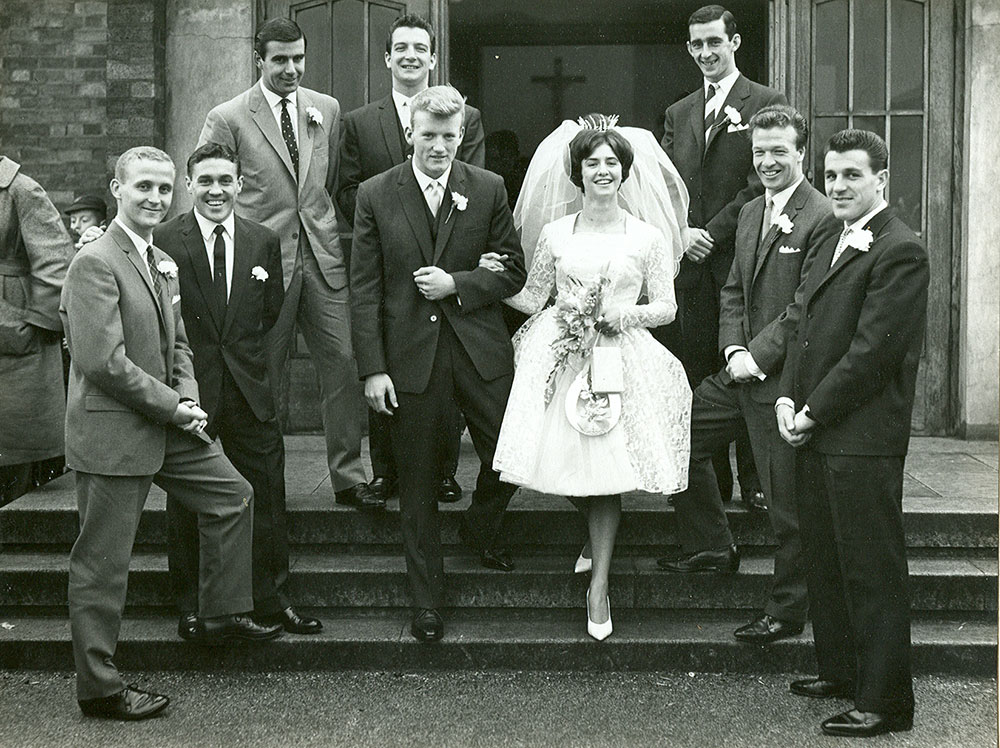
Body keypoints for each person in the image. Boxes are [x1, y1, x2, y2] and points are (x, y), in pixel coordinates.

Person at [61, 146, 281, 722]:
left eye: (163, 189)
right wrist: (172, 406)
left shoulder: (159, 259)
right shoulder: (96, 261)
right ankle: (100, 688)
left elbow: (178, 343)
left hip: (167, 422)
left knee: (233, 495)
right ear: (117, 190)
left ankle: (221, 613)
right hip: (115, 432)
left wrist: (189, 398)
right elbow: (102, 361)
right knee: (102, 565)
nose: (156, 198)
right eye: (143, 189)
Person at [491, 115, 691, 640]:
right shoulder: (556, 233)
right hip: (560, 353)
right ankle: (591, 542)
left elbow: (666, 308)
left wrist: (622, 316)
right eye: (591, 162)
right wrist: (484, 280)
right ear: (576, 172)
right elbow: (534, 297)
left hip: (618, 355)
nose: (602, 170)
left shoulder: (647, 237)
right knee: (558, 460)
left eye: (611, 162)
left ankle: (598, 585)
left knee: (607, 470)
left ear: (625, 172)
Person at [350, 86, 526, 643]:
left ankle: (480, 524)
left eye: (449, 137)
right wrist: (372, 368)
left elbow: (515, 271)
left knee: (511, 451)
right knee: (419, 479)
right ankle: (427, 600)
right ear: (410, 134)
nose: (439, 146)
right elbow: (363, 289)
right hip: (409, 358)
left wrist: (462, 283)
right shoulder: (376, 194)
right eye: (428, 135)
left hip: (478, 349)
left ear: (461, 137)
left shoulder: (488, 187)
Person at [658, 106, 836, 645]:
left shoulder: (822, 217)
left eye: (780, 151)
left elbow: (805, 306)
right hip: (736, 372)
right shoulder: (754, 210)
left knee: (788, 505)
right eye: (760, 152)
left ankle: (786, 611)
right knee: (674, 439)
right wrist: (733, 346)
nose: (768, 161)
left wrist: (756, 358)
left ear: (802, 152)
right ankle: (713, 544)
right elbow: (733, 288)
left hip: (783, 382)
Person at [777, 129, 927, 737]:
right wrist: (788, 396)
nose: (836, 186)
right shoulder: (827, 238)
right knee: (827, 561)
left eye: (851, 176)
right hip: (815, 427)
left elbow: (871, 354)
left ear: (881, 181)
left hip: (861, 437)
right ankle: (840, 671)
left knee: (870, 569)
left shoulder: (900, 249)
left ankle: (886, 701)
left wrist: (811, 413)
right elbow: (802, 322)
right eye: (831, 175)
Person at [199, 18, 380, 512]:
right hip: (263, 266)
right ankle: (260, 482)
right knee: (264, 373)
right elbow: (214, 192)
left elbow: (329, 184)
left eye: (298, 58)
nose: (291, 69)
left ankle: (348, 478)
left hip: (323, 258)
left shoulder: (326, 109)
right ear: (259, 60)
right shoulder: (229, 116)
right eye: (280, 59)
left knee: (343, 363)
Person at [154, 143, 322, 638]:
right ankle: (192, 604)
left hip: (250, 387)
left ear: (240, 184)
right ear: (189, 185)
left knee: (266, 494)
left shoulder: (262, 240)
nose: (215, 190)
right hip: (193, 389)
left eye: (225, 180)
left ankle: (270, 599)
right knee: (189, 500)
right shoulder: (164, 239)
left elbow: (267, 314)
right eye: (205, 180)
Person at [337, 13, 484, 505]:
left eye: (420, 48)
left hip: (446, 259)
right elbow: (347, 187)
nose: (410, 56)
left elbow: (473, 184)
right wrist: (388, 216)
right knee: (389, 358)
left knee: (440, 368)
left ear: (433, 57)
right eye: (401, 48)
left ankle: (443, 468)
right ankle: (386, 473)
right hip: (388, 257)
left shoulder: (469, 117)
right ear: (387, 57)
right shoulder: (360, 122)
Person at [658, 4, 787, 509]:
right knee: (698, 368)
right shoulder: (680, 111)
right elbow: (665, 184)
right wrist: (680, 233)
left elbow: (761, 181)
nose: (706, 52)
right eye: (697, 45)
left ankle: (754, 481)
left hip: (744, 257)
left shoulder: (765, 100)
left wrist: (707, 232)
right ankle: (708, 485)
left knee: (748, 362)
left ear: (734, 43)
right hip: (691, 265)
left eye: (715, 42)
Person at [0, 156, 72, 507]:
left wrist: (26, 327)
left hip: (12, 338)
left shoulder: (20, 189)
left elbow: (57, 265)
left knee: (14, 464)